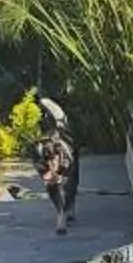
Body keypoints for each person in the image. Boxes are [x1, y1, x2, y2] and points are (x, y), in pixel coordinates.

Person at [35, 92, 76, 234]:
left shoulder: (66, 157)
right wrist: (47, 171)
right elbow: (42, 164)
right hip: (48, 147)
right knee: (53, 189)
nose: (51, 163)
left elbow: (62, 161)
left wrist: (58, 170)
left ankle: (67, 212)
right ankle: (61, 215)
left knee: (70, 187)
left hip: (64, 151)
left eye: (53, 159)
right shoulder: (41, 158)